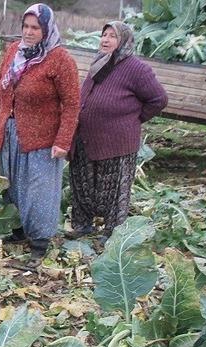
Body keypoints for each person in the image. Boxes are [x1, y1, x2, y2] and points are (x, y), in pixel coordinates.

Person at [0, 3, 80, 268]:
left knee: (39, 190)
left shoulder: (60, 60)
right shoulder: (14, 51)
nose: (28, 32)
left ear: (46, 29)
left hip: (42, 138)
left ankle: (39, 244)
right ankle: (17, 230)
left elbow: (71, 104)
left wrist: (63, 141)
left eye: (35, 27)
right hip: (9, 132)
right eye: (25, 26)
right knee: (11, 184)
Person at [68, 21, 167, 242]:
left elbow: (158, 99)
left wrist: (134, 120)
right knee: (82, 182)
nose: (105, 39)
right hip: (87, 137)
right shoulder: (99, 62)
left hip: (117, 142)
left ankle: (112, 232)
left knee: (114, 190)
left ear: (123, 41)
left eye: (112, 36)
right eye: (104, 35)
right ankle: (83, 225)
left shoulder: (137, 69)